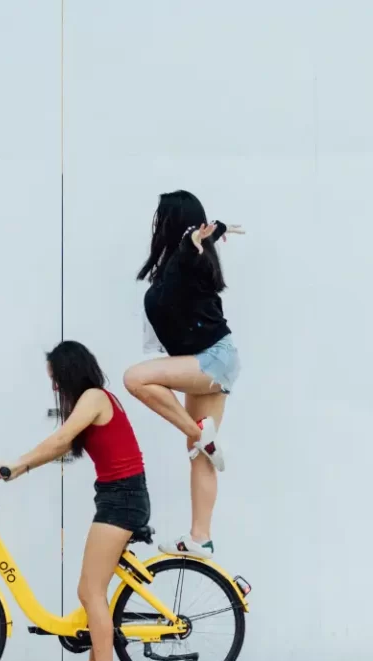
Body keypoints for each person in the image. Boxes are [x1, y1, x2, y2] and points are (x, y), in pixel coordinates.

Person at [0, 340, 150, 661]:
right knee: (93, 590)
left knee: (89, 590)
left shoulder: (95, 397)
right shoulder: (92, 401)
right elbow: (64, 446)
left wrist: (15, 464)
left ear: (69, 372)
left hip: (122, 500)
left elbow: (62, 437)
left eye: (56, 378)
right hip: (117, 496)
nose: (54, 386)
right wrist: (22, 469)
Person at [123, 190, 244, 560]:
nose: (156, 225)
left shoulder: (190, 256)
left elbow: (189, 250)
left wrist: (195, 239)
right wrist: (212, 230)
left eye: (161, 218)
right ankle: (200, 537)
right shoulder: (182, 261)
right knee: (200, 455)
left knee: (135, 379)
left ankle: (199, 435)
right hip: (209, 358)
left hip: (212, 359)